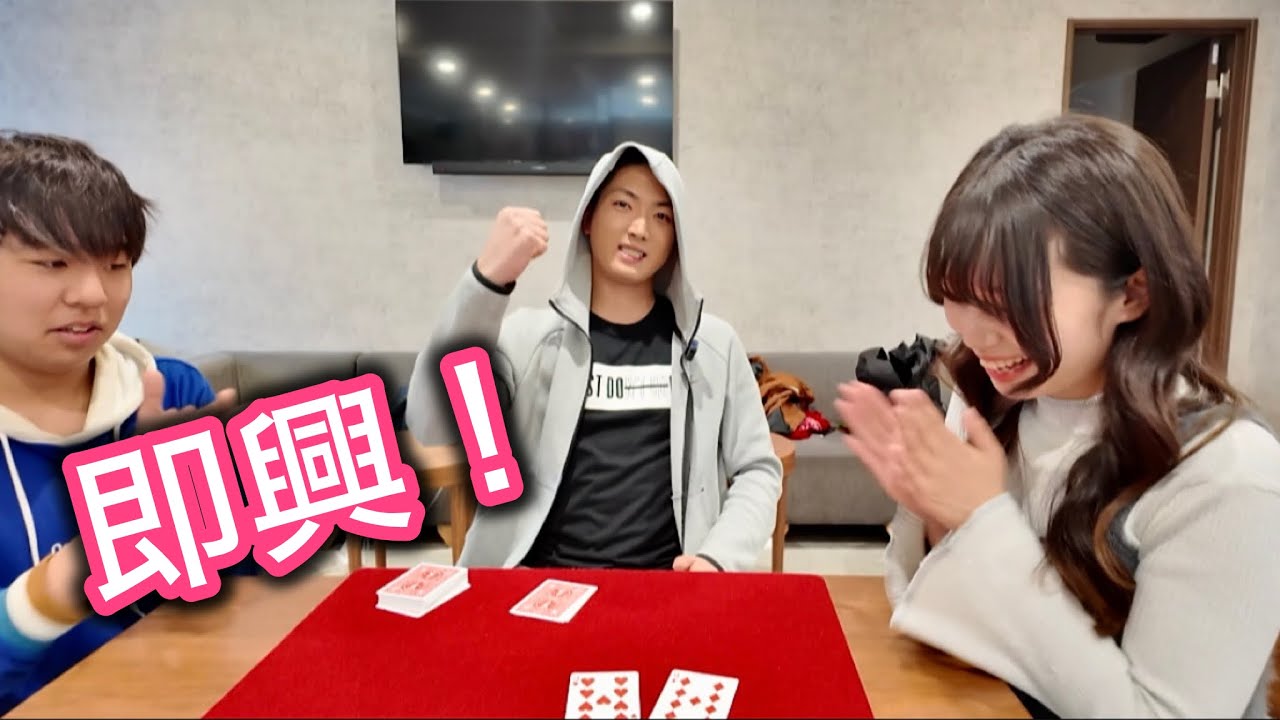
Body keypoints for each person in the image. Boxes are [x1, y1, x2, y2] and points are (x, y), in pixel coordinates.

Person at [834, 114, 1280, 718]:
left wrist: (981, 521)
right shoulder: (997, 396)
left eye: (1006, 300)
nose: (972, 333)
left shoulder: (1229, 474)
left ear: (1132, 294)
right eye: (955, 295)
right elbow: (926, 609)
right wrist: (937, 514)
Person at [406, 142, 781, 572]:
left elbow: (758, 469)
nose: (640, 228)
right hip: (539, 582)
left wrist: (718, 558)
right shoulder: (529, 341)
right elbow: (432, 424)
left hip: (669, 584)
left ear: (675, 242)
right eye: (623, 204)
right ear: (588, 218)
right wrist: (486, 281)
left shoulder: (712, 347)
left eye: (661, 216)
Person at [0, 131, 236, 714]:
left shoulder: (171, 392)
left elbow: (227, 606)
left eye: (116, 265)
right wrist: (45, 598)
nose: (92, 295)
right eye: (53, 262)